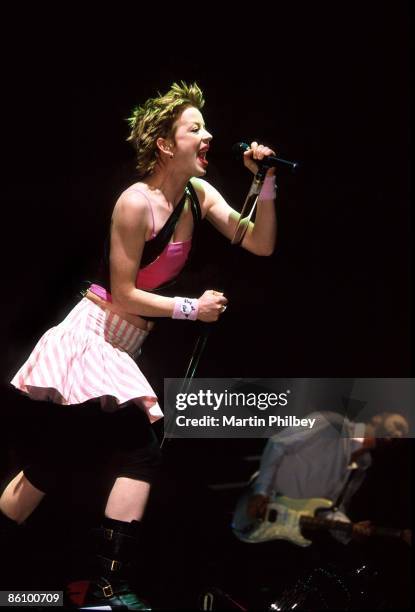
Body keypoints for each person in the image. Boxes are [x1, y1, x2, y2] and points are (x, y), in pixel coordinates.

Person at [0, 82, 278, 610]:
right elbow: (124, 291)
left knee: (50, 466)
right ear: (166, 145)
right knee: (138, 453)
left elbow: (259, 242)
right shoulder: (134, 202)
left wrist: (265, 184)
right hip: (91, 339)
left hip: (122, 349)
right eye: (195, 128)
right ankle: (108, 587)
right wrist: (191, 308)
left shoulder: (198, 194)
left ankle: (86, 586)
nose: (209, 135)